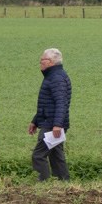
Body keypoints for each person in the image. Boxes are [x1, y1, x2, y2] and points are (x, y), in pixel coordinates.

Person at [29, 47, 72, 181]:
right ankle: (63, 182)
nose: (40, 62)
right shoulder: (52, 76)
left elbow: (61, 102)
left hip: (52, 124)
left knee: (38, 155)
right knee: (56, 155)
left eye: (43, 59)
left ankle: (43, 183)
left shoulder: (57, 78)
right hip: (51, 122)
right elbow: (46, 103)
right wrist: (35, 121)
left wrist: (58, 124)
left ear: (52, 62)